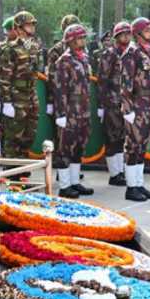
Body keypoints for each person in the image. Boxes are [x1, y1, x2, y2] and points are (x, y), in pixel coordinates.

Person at [120, 17, 150, 202]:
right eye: (147, 30)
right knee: (133, 146)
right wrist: (127, 109)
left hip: (149, 103)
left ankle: (139, 183)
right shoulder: (131, 53)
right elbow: (125, 83)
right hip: (137, 104)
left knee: (143, 145)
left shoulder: (147, 53)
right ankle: (131, 187)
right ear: (138, 33)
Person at [53, 24, 94, 198]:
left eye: (84, 37)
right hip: (70, 110)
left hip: (83, 110)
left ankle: (75, 182)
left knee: (79, 147)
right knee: (65, 149)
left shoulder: (83, 58)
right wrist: (60, 114)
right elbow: (59, 89)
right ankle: (64, 186)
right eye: (79, 38)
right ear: (70, 41)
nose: (83, 41)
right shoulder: (64, 61)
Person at [0, 11, 42, 174]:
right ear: (19, 27)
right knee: (13, 138)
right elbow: (4, 77)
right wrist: (7, 102)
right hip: (16, 98)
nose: (32, 27)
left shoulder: (34, 47)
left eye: (33, 24)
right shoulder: (11, 49)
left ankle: (22, 169)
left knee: (28, 136)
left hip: (30, 96)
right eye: (29, 24)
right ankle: (12, 175)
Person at [98, 21, 132, 187]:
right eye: (123, 34)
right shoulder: (109, 54)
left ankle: (120, 171)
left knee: (121, 138)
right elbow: (102, 80)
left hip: (125, 102)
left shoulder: (130, 53)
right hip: (111, 102)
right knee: (112, 139)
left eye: (128, 33)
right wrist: (101, 105)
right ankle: (114, 174)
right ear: (117, 36)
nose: (126, 36)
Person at [46, 14, 81, 117]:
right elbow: (52, 77)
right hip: (62, 101)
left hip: (79, 100)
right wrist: (50, 101)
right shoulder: (56, 50)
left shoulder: (82, 49)